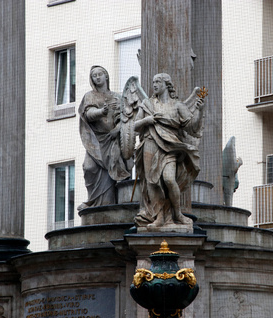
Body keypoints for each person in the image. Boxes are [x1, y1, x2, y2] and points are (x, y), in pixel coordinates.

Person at [133, 73, 204, 228]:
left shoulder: (178, 105)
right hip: (150, 143)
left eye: (158, 81)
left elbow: (192, 128)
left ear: (166, 84)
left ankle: (177, 213)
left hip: (171, 146)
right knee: (152, 181)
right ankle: (159, 217)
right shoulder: (147, 104)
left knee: (169, 179)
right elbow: (134, 126)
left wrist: (200, 111)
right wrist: (147, 120)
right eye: (153, 82)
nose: (154, 84)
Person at [78, 66, 132, 209]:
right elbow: (88, 114)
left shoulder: (117, 97)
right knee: (89, 167)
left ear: (106, 76)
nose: (97, 77)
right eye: (94, 75)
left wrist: (117, 129)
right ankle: (93, 200)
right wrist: (101, 111)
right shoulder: (90, 96)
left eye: (100, 74)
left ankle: (108, 205)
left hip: (113, 141)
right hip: (96, 141)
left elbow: (125, 118)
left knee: (113, 171)